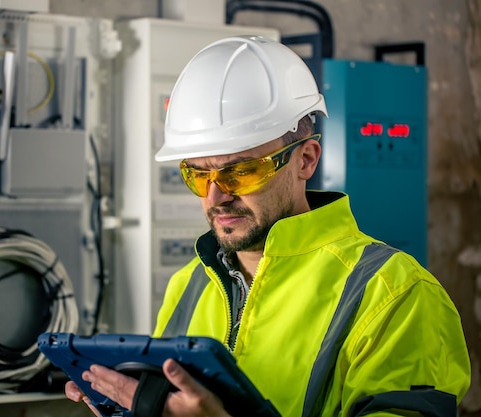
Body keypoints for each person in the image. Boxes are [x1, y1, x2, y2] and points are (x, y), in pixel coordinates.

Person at [65, 35, 471, 416]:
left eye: (239, 172)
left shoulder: (395, 295)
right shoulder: (190, 284)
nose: (215, 197)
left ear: (306, 160)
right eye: (198, 175)